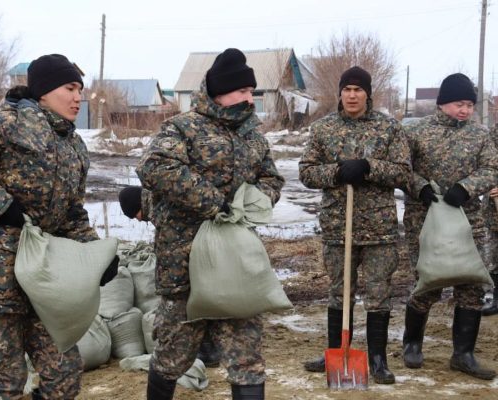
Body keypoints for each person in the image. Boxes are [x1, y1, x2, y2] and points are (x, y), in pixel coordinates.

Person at [0, 54, 117, 399]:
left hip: (45, 282)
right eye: (70, 88)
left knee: (64, 373)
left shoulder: (74, 146)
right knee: (6, 381)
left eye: (81, 90)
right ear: (44, 92)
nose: (79, 97)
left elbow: (73, 213)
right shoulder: (7, 124)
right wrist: (0, 205)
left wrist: (95, 253)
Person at [135, 48, 285, 400]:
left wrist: (252, 202)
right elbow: (155, 167)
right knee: (173, 354)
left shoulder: (253, 136)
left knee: (247, 357)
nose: (250, 99)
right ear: (219, 92)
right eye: (243, 92)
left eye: (252, 92)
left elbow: (272, 179)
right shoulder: (183, 128)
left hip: (236, 263)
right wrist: (215, 202)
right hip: (185, 264)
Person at [299, 66, 411, 384]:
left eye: (358, 89)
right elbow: (307, 171)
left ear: (367, 94)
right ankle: (336, 349)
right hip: (338, 227)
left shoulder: (388, 128)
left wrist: (368, 167)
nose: (352, 95)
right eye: (347, 89)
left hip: (379, 230)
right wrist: (336, 172)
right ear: (340, 93)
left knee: (378, 294)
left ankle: (377, 358)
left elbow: (403, 172)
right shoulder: (323, 129)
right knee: (339, 292)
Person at [402, 73, 498, 380]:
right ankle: (412, 344)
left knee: (471, 286)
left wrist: (467, 187)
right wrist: (420, 188)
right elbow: (402, 169)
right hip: (426, 220)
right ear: (443, 103)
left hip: (469, 221)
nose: (465, 110)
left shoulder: (480, 135)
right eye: (460, 103)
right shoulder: (417, 133)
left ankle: (463, 354)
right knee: (427, 281)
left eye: (470, 104)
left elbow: (492, 168)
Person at [118, 186, 222, 368]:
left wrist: (166, 287)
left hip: (193, 263)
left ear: (139, 205)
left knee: (193, 303)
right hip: (203, 257)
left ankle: (208, 351)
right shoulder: (161, 199)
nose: (140, 220)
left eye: (136, 215)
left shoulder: (161, 209)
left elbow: (173, 250)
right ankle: (208, 348)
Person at [482, 124, 498, 315]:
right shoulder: (494, 131)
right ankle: (496, 298)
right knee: (494, 256)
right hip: (494, 209)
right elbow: (489, 164)